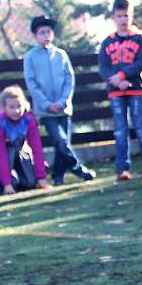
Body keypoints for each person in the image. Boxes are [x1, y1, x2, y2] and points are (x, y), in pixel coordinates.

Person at [23, 15, 96, 185]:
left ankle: (58, 177)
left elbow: (69, 79)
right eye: (42, 32)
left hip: (64, 108)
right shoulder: (30, 57)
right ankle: (79, 169)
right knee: (61, 140)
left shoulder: (61, 55)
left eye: (49, 32)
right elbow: (32, 84)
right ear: (35, 35)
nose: (46, 35)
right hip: (47, 111)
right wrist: (47, 104)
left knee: (61, 144)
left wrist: (63, 100)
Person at [98, 0, 142, 181]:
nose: (123, 19)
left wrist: (122, 76)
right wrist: (116, 81)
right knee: (120, 130)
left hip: (136, 90)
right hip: (116, 92)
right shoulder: (107, 43)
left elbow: (141, 62)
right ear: (113, 17)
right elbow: (103, 67)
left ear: (131, 16)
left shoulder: (139, 38)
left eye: (126, 15)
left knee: (141, 127)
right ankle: (122, 169)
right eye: (119, 16)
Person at [0, 86, 50, 195]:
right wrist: (6, 184)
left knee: (30, 182)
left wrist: (41, 177)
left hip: (19, 153)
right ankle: (6, 181)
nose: (16, 111)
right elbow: (0, 154)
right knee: (12, 183)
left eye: (19, 106)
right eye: (11, 107)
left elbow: (37, 148)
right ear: (4, 107)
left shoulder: (28, 119)